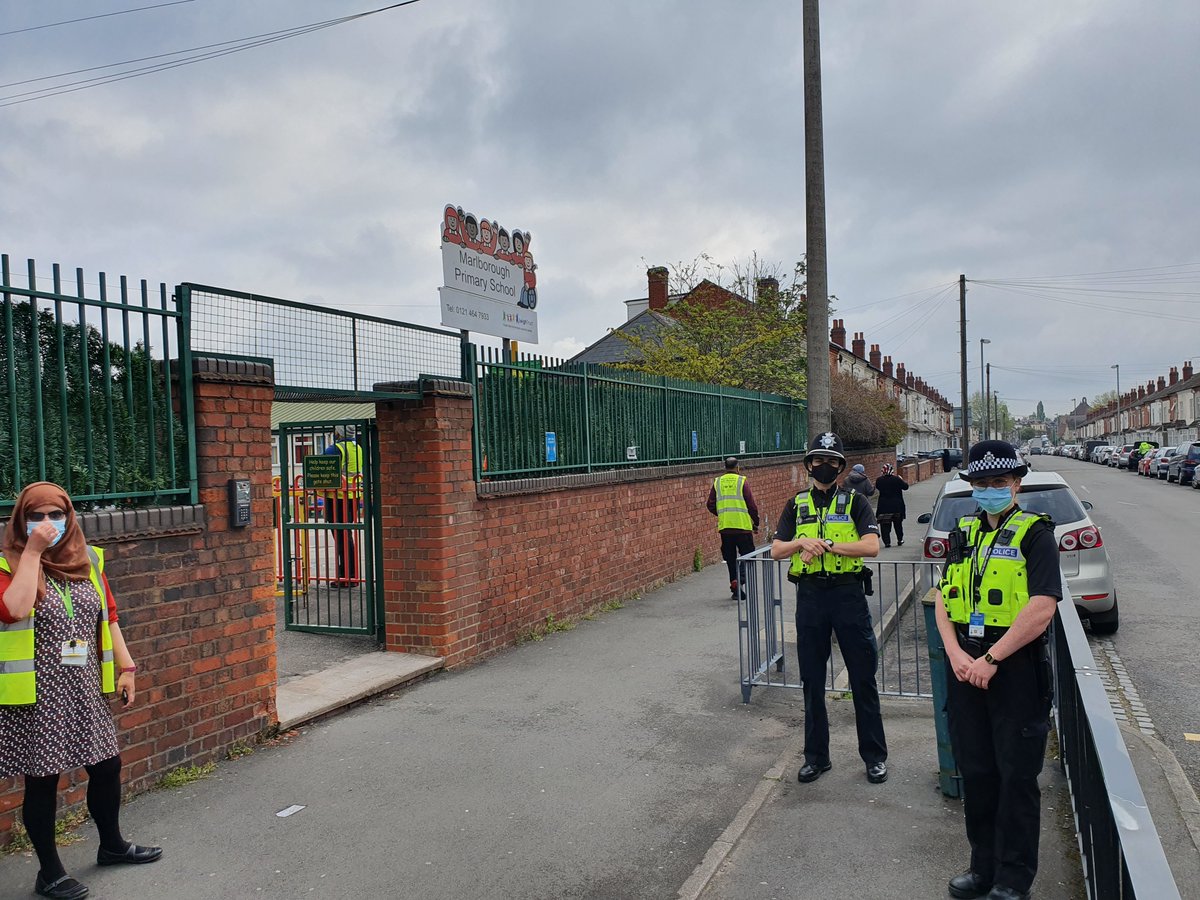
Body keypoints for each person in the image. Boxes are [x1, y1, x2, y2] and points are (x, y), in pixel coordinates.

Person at [0, 482, 162, 900]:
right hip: (37, 692)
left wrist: (127, 667)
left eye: (57, 514)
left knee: (107, 767)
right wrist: (33, 553)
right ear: (22, 520)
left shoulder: (88, 557)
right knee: (43, 780)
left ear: (70, 517)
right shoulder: (7, 562)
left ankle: (112, 844)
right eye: (37, 516)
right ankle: (49, 873)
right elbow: (14, 609)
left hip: (83, 683)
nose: (48, 524)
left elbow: (108, 616)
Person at [932, 441, 1061, 900]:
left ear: (1016, 484)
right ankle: (982, 869)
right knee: (979, 774)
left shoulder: (1035, 534)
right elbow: (943, 600)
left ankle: (1012, 880)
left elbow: (1041, 608)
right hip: (966, 667)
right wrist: (955, 654)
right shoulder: (964, 534)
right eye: (981, 484)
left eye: (998, 483)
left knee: (1016, 779)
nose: (989, 490)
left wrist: (991, 659)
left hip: (1014, 671)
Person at [770, 431, 888, 785]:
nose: (824, 466)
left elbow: (871, 547)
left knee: (863, 678)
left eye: (831, 461)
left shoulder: (855, 502)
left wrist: (829, 544)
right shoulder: (796, 504)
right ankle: (816, 757)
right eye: (818, 460)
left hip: (847, 595)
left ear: (840, 467)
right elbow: (777, 550)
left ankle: (874, 756)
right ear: (809, 464)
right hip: (810, 598)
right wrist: (801, 541)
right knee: (811, 681)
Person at [706, 457, 760, 599]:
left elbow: (710, 504)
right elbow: (751, 505)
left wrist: (723, 514)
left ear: (725, 467)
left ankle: (735, 587)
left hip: (726, 529)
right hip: (743, 527)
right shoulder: (742, 481)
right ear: (738, 467)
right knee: (749, 556)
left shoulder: (717, 482)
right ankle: (741, 579)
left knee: (730, 558)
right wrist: (756, 521)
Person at [324, 427, 363, 588]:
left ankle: (346, 576)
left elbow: (323, 469)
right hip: (354, 496)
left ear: (338, 433)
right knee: (346, 535)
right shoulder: (358, 448)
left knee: (341, 536)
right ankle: (349, 574)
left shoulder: (335, 449)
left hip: (337, 497)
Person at [874, 463, 909, 548]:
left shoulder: (879, 480)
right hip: (897, 506)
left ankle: (887, 542)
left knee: (885, 525)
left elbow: (878, 487)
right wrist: (901, 479)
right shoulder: (897, 479)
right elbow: (905, 487)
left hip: (884, 506)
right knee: (898, 525)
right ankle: (900, 539)